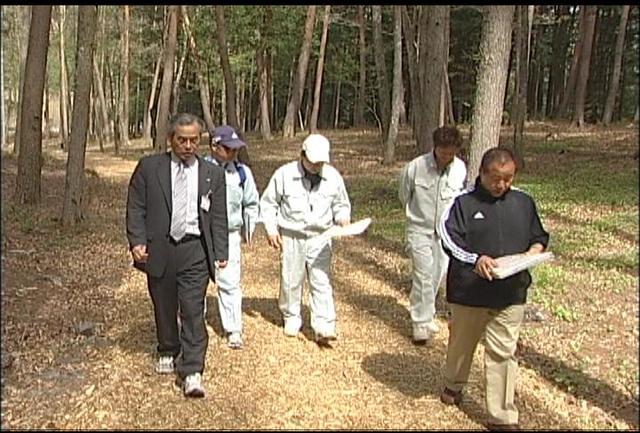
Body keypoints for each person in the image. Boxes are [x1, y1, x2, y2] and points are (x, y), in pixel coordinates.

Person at [438, 147, 549, 431]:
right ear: (483, 174)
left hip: (511, 292)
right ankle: (453, 385)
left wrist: (534, 251)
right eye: (496, 179)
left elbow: (539, 236)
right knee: (462, 345)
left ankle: (501, 415)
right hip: (469, 292)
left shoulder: (524, 202)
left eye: (508, 179)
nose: (502, 185)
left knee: (503, 353)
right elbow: (448, 239)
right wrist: (476, 260)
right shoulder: (463, 203)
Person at [126, 112, 229, 398]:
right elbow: (136, 207)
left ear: (200, 140)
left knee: (193, 309)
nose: (187, 146)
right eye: (181, 140)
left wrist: (221, 251)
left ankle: (193, 370)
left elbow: (218, 216)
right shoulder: (149, 168)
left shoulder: (213, 174)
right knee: (164, 304)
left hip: (195, 250)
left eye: (193, 140)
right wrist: (136, 240)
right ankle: (168, 347)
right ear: (171, 139)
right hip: (160, 248)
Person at [259, 134, 351, 346]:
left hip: (322, 235)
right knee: (291, 279)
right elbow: (269, 203)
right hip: (293, 234)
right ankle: (291, 316)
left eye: (320, 162)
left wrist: (343, 218)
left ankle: (324, 325)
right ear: (302, 155)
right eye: (313, 161)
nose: (317, 166)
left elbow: (341, 203)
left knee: (321, 280)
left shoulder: (333, 177)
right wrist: (271, 229)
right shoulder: (284, 174)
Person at [398, 126, 467, 344]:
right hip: (419, 229)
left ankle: (427, 315)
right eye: (443, 151)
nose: (447, 156)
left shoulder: (460, 169)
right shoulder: (416, 167)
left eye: (451, 152)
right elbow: (403, 194)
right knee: (423, 275)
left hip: (445, 232)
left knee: (436, 275)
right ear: (435, 147)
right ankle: (419, 323)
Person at [203, 125, 259, 350]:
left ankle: (233, 329)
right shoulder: (201, 169)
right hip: (202, 235)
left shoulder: (242, 173)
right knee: (196, 282)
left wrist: (249, 228)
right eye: (229, 148)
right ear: (214, 146)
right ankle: (194, 325)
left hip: (230, 234)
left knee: (230, 282)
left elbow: (251, 202)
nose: (234, 153)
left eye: (236, 149)